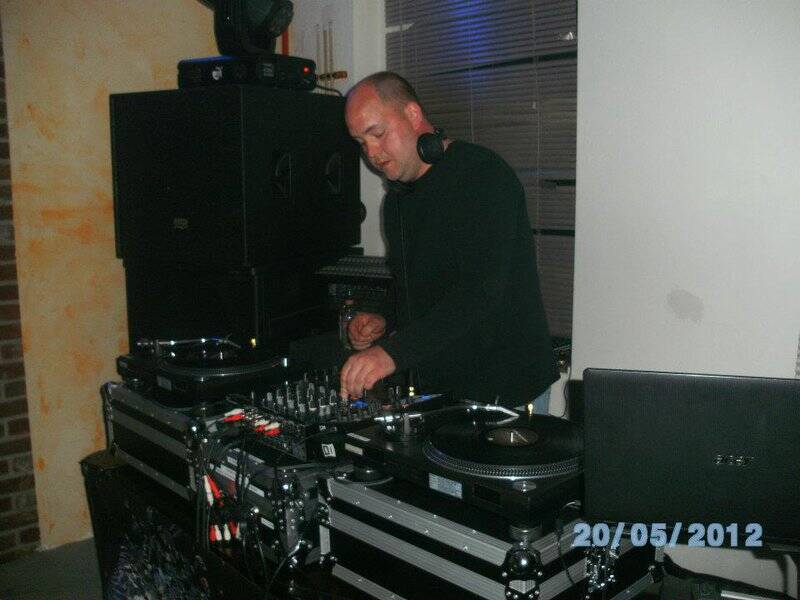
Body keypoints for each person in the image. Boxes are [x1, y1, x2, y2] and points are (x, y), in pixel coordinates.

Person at [339, 71, 558, 412]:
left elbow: (481, 292)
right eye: (361, 142)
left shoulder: (481, 175)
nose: (372, 152)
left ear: (413, 114)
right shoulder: (397, 200)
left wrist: (392, 353)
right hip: (442, 390)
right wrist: (384, 318)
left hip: (505, 386)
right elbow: (413, 286)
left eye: (377, 134)